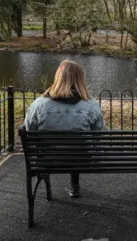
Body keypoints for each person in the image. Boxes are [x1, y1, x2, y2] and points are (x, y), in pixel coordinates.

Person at [24, 59, 105, 198]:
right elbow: (100, 134)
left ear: (58, 78)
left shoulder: (39, 104)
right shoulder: (91, 105)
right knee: (77, 148)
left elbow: (28, 130)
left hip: (47, 160)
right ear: (80, 79)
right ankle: (75, 185)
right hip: (83, 160)